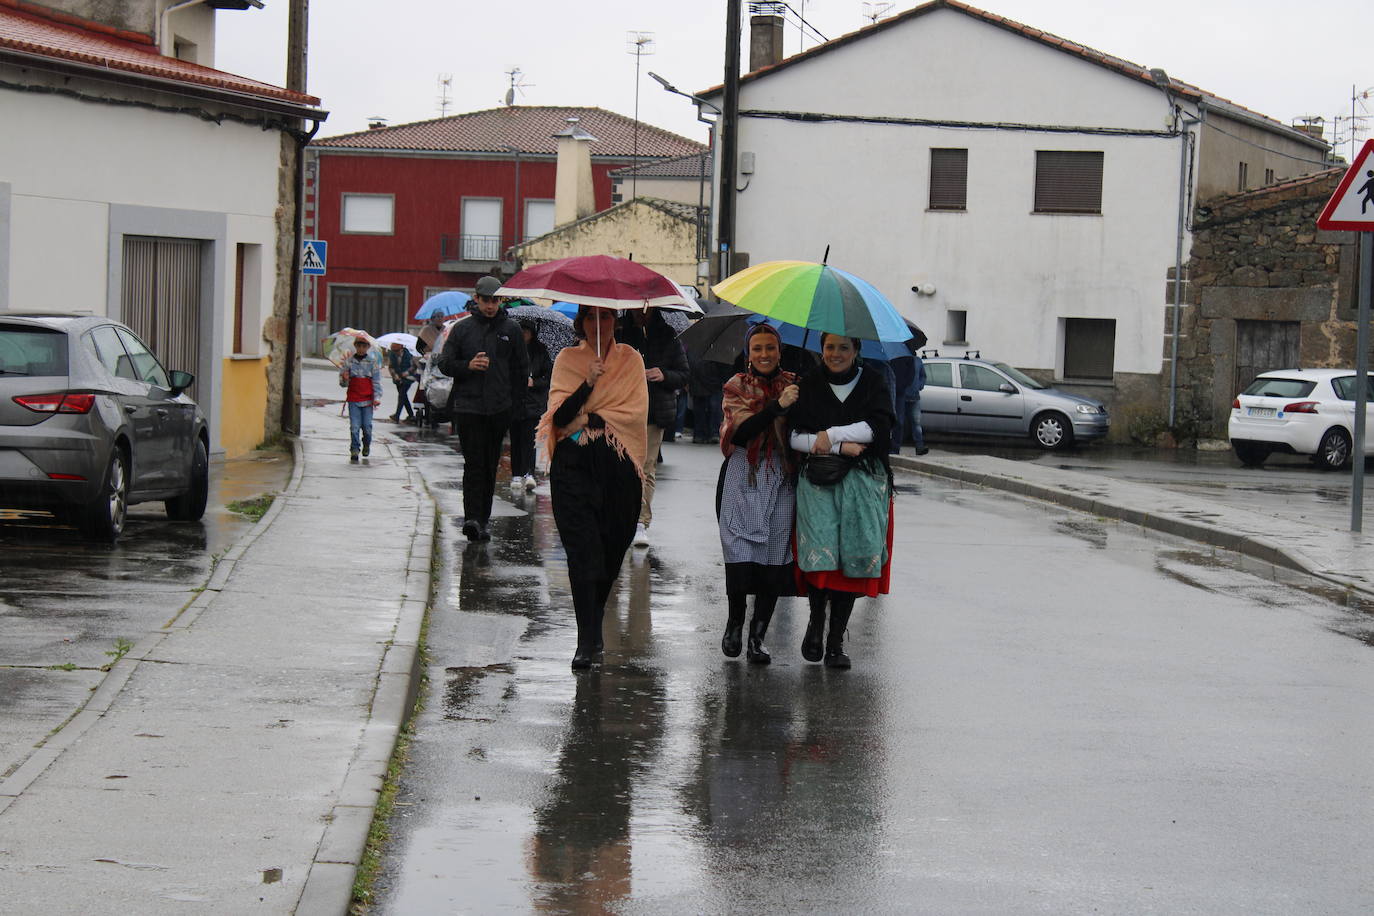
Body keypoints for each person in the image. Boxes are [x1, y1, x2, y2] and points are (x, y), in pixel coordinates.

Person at [538, 305, 647, 670]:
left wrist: (593, 416)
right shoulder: (567, 360)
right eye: (591, 317)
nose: (598, 324)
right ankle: (586, 639)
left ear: (614, 321)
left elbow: (632, 414)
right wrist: (586, 384)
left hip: (618, 467)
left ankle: (595, 616)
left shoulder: (631, 360)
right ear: (581, 322)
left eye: (605, 317)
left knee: (611, 551)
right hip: (573, 467)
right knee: (583, 552)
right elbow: (561, 419)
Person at [788, 333, 896, 668]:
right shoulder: (808, 385)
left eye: (843, 347)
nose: (835, 354)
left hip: (863, 482)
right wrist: (839, 446)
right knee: (822, 558)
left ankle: (836, 641)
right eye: (830, 347)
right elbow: (794, 437)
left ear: (856, 351)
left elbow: (879, 428)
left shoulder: (874, 382)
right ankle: (816, 622)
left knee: (852, 559)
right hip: (819, 480)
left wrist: (830, 434)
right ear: (822, 349)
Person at [716, 323, 799, 664]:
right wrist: (777, 406)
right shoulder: (736, 386)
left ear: (780, 351)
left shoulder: (796, 385)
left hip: (783, 474)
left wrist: (796, 403)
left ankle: (758, 636)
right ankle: (735, 623)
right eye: (757, 349)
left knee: (775, 556)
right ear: (748, 353)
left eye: (770, 348)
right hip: (745, 471)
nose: (764, 355)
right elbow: (740, 433)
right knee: (739, 551)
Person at [436, 275, 529, 541]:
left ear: (501, 301)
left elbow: (521, 371)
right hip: (468, 407)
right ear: (476, 299)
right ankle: (472, 518)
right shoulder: (462, 329)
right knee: (473, 464)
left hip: (499, 409)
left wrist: (516, 408)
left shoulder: (511, 329)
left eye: (495, 300)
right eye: (486, 300)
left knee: (489, 466)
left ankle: (483, 520)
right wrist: (468, 366)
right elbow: (445, 363)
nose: (491, 306)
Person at [619, 309, 689, 547]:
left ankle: (641, 522)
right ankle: (621, 517)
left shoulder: (667, 334)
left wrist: (664, 374)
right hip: (622, 410)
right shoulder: (620, 331)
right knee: (622, 468)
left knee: (646, 468)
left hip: (654, 411)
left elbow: (683, 374)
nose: (642, 312)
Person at [510, 317, 551, 495]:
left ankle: (529, 472)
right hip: (514, 401)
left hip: (533, 403)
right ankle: (516, 474)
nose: (524, 334)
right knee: (516, 439)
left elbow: (548, 376)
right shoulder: (512, 349)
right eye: (522, 331)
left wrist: (534, 382)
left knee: (530, 440)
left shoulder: (541, 351)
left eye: (527, 331)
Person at [339, 336, 382, 462]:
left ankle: (366, 443)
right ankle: (354, 449)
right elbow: (342, 383)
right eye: (359, 346)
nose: (361, 348)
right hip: (353, 399)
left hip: (368, 399)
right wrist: (345, 378)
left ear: (368, 347)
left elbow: (376, 382)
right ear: (355, 346)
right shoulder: (349, 362)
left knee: (367, 426)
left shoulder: (372, 363)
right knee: (354, 427)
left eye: (364, 346)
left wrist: (377, 397)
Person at [386, 341, 418, 422]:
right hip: (398, 379)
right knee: (403, 397)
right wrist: (395, 376)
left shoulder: (409, 355)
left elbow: (414, 366)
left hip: (408, 378)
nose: (396, 353)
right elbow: (391, 367)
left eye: (397, 351)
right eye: (394, 351)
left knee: (401, 395)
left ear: (402, 348)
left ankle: (397, 415)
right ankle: (411, 415)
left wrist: (406, 373)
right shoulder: (392, 355)